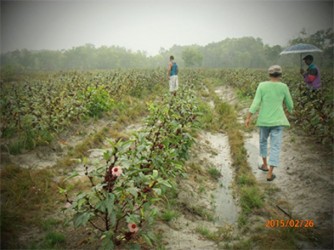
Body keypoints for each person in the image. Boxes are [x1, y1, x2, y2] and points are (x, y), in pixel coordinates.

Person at [245, 65, 293, 181]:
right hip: (278, 121)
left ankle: (265, 165)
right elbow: (290, 105)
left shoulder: (262, 86)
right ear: (280, 75)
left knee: (263, 142)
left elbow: (256, 103)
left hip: (264, 120)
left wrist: (248, 117)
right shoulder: (284, 87)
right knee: (275, 146)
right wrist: (287, 114)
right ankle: (270, 173)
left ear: (269, 75)